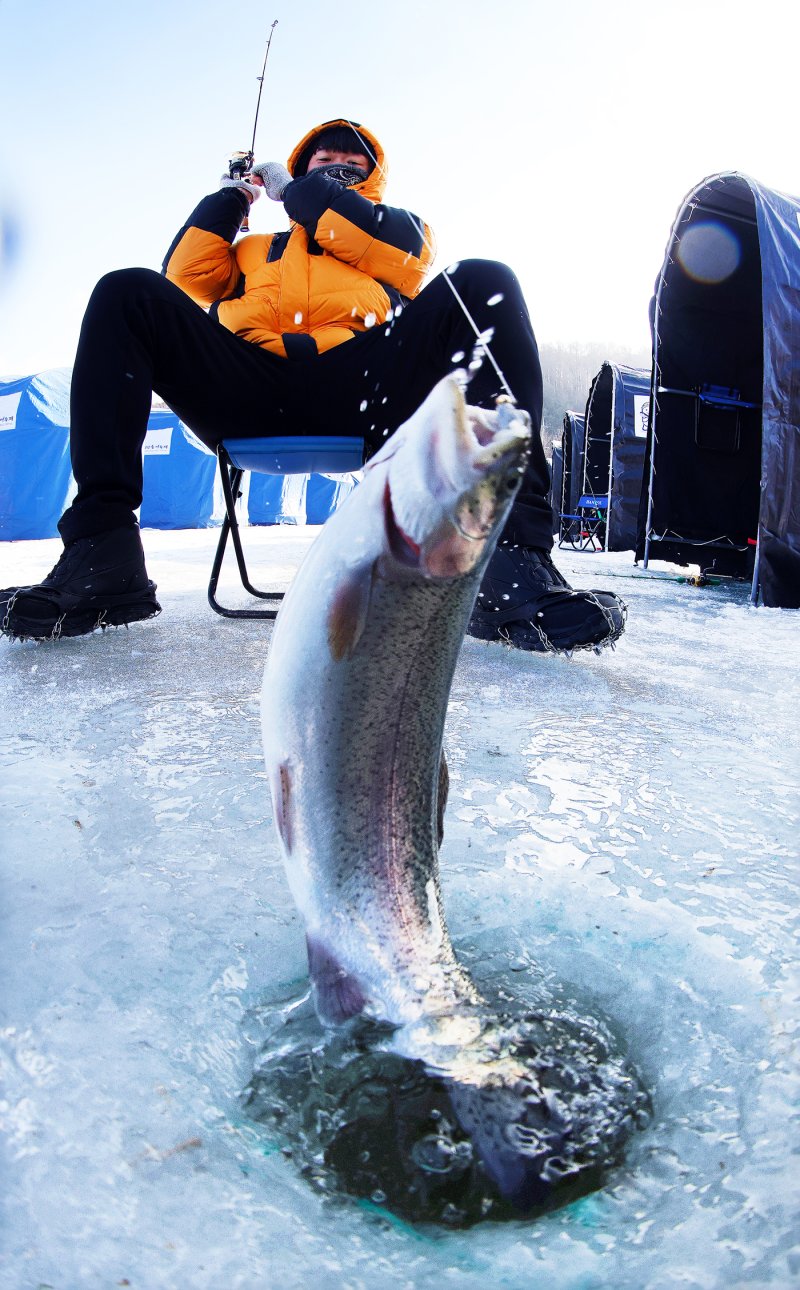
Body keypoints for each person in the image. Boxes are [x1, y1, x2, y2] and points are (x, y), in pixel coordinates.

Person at [0, 117, 625, 652]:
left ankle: (511, 560)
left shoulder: (399, 230)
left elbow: (373, 239)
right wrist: (234, 198)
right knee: (125, 291)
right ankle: (102, 553)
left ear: (371, 178)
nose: (339, 171)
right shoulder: (253, 250)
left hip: (364, 389)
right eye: (325, 161)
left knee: (484, 280)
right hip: (246, 387)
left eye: (354, 165)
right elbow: (185, 274)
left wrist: (304, 191)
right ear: (300, 169)